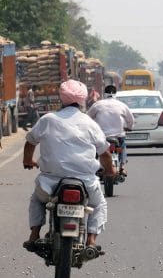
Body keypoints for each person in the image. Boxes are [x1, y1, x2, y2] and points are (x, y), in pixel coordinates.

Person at [22, 80, 115, 253]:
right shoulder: (89, 123)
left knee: (37, 199)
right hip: (85, 184)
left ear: (61, 98)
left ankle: (34, 235)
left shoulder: (48, 119)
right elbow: (105, 154)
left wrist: (28, 161)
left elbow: (30, 142)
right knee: (99, 204)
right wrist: (110, 171)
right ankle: (92, 241)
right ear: (83, 100)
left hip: (50, 184)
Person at [86, 85, 134, 177]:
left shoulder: (98, 104)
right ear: (115, 94)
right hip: (119, 136)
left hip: (102, 137)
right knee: (122, 148)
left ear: (104, 94)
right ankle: (122, 167)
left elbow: (87, 117)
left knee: (95, 150)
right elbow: (130, 120)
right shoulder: (122, 105)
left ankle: (96, 166)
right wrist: (129, 127)